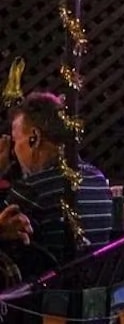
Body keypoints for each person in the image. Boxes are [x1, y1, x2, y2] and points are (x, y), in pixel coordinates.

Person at [1, 92, 112, 276]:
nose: (13, 151)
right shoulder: (98, 179)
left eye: (14, 141)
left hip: (47, 299)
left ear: (34, 138)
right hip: (96, 294)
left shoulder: (31, 190)